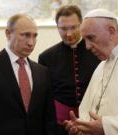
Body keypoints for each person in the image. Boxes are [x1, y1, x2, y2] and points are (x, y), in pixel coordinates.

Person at [0, 14, 56, 135]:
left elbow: (49, 119)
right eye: (25, 35)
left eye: (34, 36)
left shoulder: (42, 72)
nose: (31, 42)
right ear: (8, 33)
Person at [38, 5, 100, 135]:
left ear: (81, 24)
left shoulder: (97, 51)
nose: (69, 33)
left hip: (93, 122)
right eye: (63, 28)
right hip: (60, 125)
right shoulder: (46, 57)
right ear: (57, 27)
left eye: (73, 27)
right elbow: (46, 96)